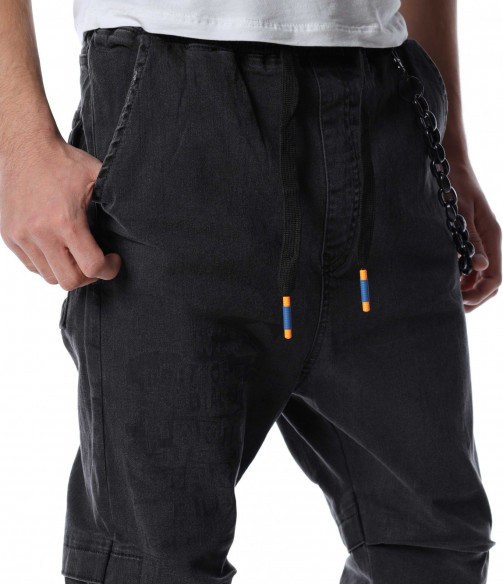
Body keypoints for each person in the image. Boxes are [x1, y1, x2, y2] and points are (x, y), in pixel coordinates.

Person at [0, 0, 500, 582]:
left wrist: (448, 150)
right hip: (174, 107)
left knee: (435, 544)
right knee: (154, 555)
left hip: (386, 108)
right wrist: (17, 141)